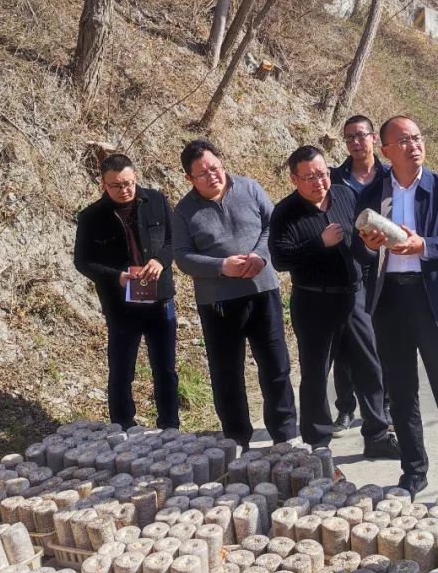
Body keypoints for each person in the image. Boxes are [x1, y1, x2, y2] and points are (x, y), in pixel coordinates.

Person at [355, 115, 438, 503]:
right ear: (386, 151)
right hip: (390, 303)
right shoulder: (372, 195)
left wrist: (425, 246)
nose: (414, 145)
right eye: (403, 141)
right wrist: (367, 246)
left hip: (432, 301)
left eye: (417, 137)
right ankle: (414, 471)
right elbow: (358, 252)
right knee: (401, 394)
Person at [269, 145, 399, 457]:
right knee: (315, 375)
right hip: (314, 303)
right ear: (294, 179)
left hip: (353, 297)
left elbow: (360, 249)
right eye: (310, 177)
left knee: (370, 368)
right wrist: (320, 242)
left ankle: (377, 435)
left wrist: (370, 248)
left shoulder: (344, 195)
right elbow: (280, 259)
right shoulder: (285, 211)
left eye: (323, 174)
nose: (320, 182)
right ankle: (318, 445)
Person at [172, 139, 298, 449]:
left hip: (262, 290)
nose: (212, 176)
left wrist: (260, 255)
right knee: (226, 373)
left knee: (275, 365)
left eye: (215, 167)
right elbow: (182, 256)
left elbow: (273, 225)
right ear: (189, 178)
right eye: (202, 173)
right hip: (218, 301)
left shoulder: (250, 188)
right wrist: (221, 266)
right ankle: (237, 439)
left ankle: (285, 434)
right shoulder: (184, 211)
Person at [73, 153, 179, 430]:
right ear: (103, 185)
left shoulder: (156, 201)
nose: (125, 190)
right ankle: (122, 426)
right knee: (121, 371)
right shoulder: (92, 217)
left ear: (135, 178)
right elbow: (83, 262)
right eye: (116, 186)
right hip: (121, 305)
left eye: (129, 183)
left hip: (160, 300)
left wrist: (160, 261)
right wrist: (116, 277)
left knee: (165, 368)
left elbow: (174, 240)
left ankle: (170, 426)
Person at [329, 114, 390, 435]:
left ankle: (385, 404)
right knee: (345, 342)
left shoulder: (389, 176)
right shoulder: (334, 178)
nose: (355, 142)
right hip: (346, 267)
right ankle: (345, 407)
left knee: (383, 337)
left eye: (361, 135)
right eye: (349, 137)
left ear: (374, 138)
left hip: (383, 266)